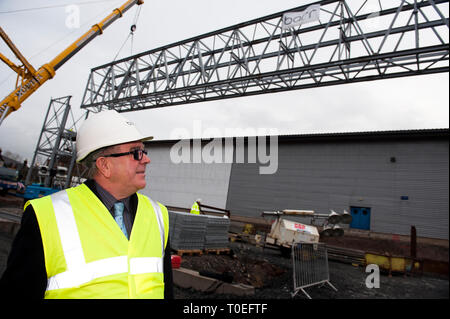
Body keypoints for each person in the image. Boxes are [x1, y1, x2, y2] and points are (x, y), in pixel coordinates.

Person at [0, 110, 173, 299]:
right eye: (136, 153)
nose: (146, 159)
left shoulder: (158, 215)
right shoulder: (46, 215)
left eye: (144, 152)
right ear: (104, 165)